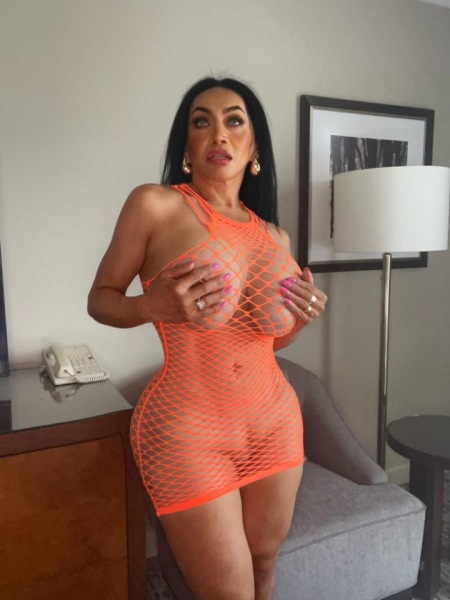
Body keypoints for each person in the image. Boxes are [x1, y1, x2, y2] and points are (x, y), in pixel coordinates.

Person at [88, 76, 327, 600]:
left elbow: (265, 344)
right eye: (202, 122)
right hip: (187, 432)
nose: (219, 134)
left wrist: (298, 322)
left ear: (254, 148)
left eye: (234, 121)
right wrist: (150, 306)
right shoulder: (155, 206)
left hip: (275, 423)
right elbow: (100, 298)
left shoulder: (276, 236)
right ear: (187, 146)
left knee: (264, 566)